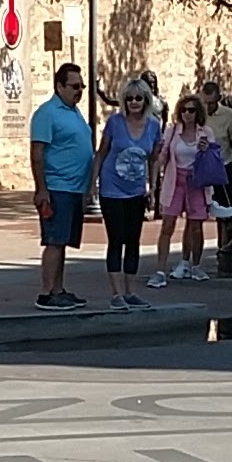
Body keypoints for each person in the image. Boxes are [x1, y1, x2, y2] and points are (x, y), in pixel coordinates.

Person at [28, 60, 95, 307]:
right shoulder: (47, 113)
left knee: (63, 241)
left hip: (74, 188)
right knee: (54, 241)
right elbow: (37, 154)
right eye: (75, 86)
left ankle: (59, 289)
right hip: (57, 188)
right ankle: (46, 293)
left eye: (82, 86)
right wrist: (41, 189)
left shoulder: (74, 112)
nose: (79, 91)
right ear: (59, 86)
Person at [93, 76, 162, 307]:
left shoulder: (154, 126)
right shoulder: (115, 122)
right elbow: (101, 153)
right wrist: (92, 183)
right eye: (129, 98)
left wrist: (152, 187)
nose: (134, 102)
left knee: (133, 239)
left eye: (138, 98)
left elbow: (154, 159)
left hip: (136, 190)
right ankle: (117, 293)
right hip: (112, 188)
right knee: (116, 238)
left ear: (146, 101)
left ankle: (131, 291)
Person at [150, 89, 225, 282]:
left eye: (191, 110)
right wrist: (153, 180)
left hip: (197, 182)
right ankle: (160, 270)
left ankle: (195, 265)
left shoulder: (205, 132)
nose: (187, 114)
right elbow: (162, 156)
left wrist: (205, 149)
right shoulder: (172, 131)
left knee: (196, 226)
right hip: (175, 181)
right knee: (167, 225)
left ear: (197, 112)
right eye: (183, 110)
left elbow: (214, 156)